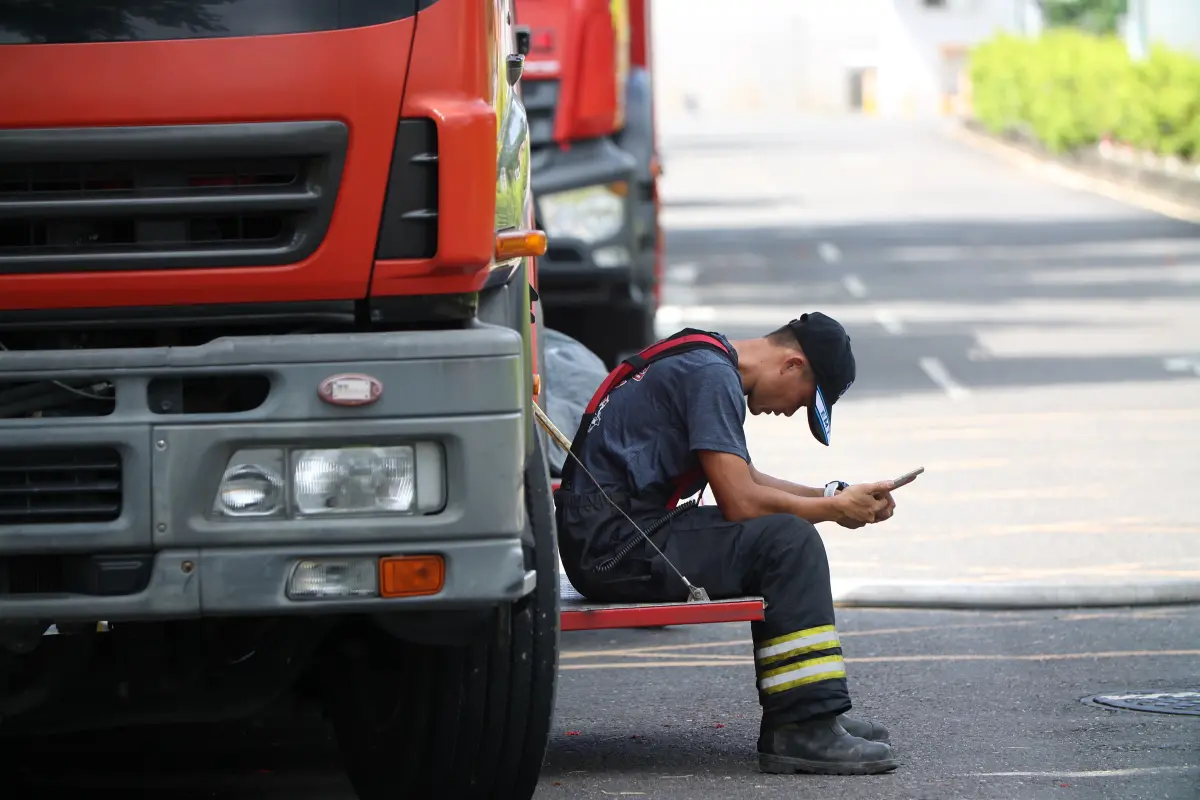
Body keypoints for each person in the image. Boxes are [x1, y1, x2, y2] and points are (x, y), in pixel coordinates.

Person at [553, 312, 900, 776]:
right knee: (787, 542)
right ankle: (803, 724)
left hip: (613, 535)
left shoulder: (707, 358)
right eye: (803, 402)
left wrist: (832, 496)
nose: (792, 411)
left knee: (784, 530)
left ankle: (813, 713)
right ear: (793, 364)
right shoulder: (711, 377)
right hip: (615, 546)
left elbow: (747, 479)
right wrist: (836, 512)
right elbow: (740, 501)